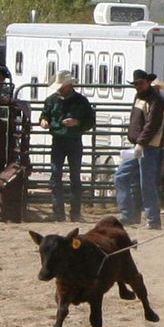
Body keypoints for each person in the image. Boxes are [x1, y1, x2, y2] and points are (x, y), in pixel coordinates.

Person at [115, 69, 164, 230]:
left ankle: (151, 219)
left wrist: (141, 143)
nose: (137, 86)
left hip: (148, 148)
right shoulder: (145, 99)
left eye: (140, 83)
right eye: (136, 84)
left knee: (144, 183)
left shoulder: (156, 102)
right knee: (123, 177)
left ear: (148, 82)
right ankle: (131, 216)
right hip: (142, 147)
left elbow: (152, 125)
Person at [39, 70, 95, 222]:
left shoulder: (81, 101)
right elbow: (44, 115)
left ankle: (74, 212)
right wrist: (44, 120)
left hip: (74, 141)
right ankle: (59, 212)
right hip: (59, 141)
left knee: (74, 177)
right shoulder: (52, 100)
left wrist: (78, 123)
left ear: (69, 85)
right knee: (56, 175)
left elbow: (90, 121)